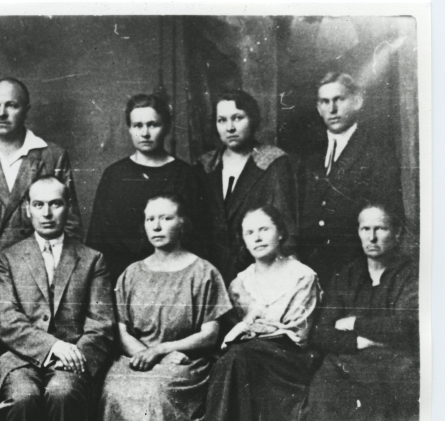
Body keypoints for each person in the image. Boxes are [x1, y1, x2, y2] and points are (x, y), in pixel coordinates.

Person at [96, 194, 232, 421]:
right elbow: (122, 329)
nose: (156, 226)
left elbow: (211, 334)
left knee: (154, 395)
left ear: (182, 223)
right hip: (137, 358)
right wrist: (143, 353)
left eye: (166, 218)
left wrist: (162, 350)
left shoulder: (203, 272)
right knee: (115, 390)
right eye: (150, 219)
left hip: (185, 362)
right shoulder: (131, 273)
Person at [0, 176, 115, 421]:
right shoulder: (8, 259)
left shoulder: (91, 259)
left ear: (68, 208)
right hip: (21, 357)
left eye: (56, 204)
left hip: (74, 358)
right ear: (28, 210)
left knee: (62, 393)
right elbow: (7, 321)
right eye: (39, 205)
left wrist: (72, 353)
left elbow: (101, 323)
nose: (47, 213)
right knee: (23, 397)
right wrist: (51, 347)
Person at [196, 205, 321, 421]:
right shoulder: (239, 283)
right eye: (249, 232)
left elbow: (297, 332)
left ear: (280, 233)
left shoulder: (302, 276)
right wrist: (253, 327)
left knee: (234, 360)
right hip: (248, 361)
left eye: (264, 229)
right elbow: (247, 328)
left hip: (288, 360)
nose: (257, 237)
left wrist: (251, 326)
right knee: (235, 362)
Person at [308, 203, 418, 421]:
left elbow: (407, 327)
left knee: (382, 390)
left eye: (380, 228)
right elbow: (321, 332)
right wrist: (362, 342)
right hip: (350, 360)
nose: (372, 237)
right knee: (324, 385)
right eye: (365, 229)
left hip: (396, 363)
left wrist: (355, 322)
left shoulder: (410, 275)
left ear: (396, 233)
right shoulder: (348, 276)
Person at [0, 77, 82, 269]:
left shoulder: (52, 156)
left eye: (11, 105)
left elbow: (70, 225)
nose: (2, 113)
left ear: (26, 110)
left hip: (37, 273)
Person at [298, 72, 404, 287]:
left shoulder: (376, 152)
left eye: (339, 99)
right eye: (325, 102)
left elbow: (387, 213)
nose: (332, 109)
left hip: (357, 269)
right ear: (318, 108)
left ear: (357, 102)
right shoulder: (311, 154)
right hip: (313, 266)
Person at [87, 93, 202, 283]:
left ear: (166, 127)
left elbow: (198, 238)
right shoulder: (114, 175)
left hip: (175, 278)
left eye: (153, 125)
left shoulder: (186, 175)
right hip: (121, 279)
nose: (145, 133)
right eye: (137, 125)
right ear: (129, 128)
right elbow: (97, 240)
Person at [195, 90, 298, 284]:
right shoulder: (205, 165)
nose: (230, 128)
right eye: (222, 120)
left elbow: (285, 226)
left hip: (258, 271)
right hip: (209, 273)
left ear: (252, 119)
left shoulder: (273, 162)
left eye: (238, 118)